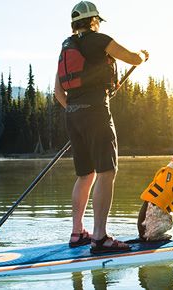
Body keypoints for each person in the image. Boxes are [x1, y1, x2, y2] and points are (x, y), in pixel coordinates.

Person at [54, 1, 148, 253]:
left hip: (72, 115)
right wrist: (143, 55)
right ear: (93, 20)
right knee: (106, 172)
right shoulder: (99, 39)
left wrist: (77, 110)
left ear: (75, 23)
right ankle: (100, 237)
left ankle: (77, 233)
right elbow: (132, 58)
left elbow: (58, 92)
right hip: (96, 113)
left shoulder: (67, 48)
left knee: (85, 174)